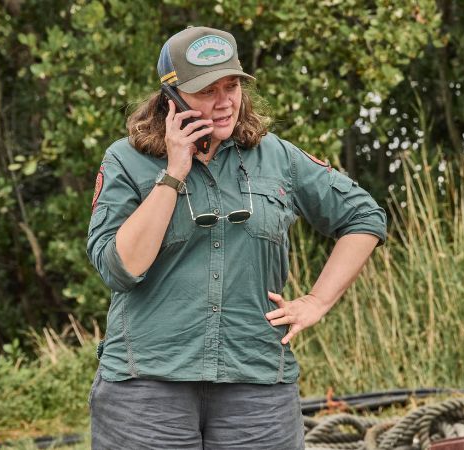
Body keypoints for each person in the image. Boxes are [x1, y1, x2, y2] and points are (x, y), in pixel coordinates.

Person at [86, 26, 387, 449]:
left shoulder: (277, 156)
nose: (224, 101)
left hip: (256, 386)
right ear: (171, 98)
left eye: (232, 86)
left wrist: (317, 301)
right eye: (207, 90)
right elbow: (120, 269)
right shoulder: (125, 160)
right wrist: (174, 173)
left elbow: (364, 216)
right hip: (146, 389)